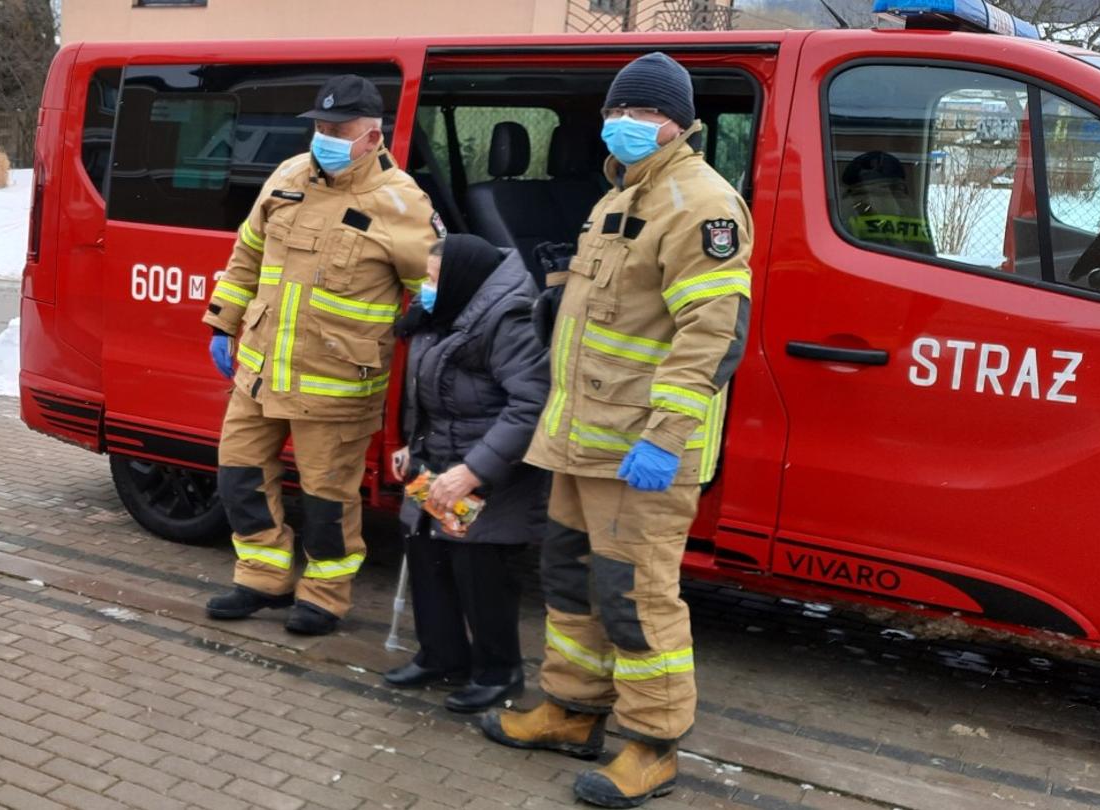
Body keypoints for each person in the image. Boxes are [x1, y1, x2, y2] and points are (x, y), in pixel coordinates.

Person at [483, 52, 753, 809]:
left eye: (638, 113)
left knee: (636, 597)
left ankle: (653, 746)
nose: (622, 125)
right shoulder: (619, 195)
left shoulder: (701, 202)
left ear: (676, 121)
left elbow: (711, 335)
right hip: (583, 436)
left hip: (641, 448)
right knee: (571, 580)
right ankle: (571, 711)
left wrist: (665, 438)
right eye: (616, 111)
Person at [201, 74, 440, 636]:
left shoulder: (401, 201)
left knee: (327, 501)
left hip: (336, 381)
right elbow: (249, 253)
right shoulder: (289, 175)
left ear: (372, 136)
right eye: (320, 127)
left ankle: (325, 596)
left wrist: (420, 331)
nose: (325, 137)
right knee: (238, 476)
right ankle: (262, 579)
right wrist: (223, 321)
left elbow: (434, 287)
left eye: (339, 129)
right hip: (259, 370)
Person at [383, 234, 549, 714]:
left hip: (488, 471)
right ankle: (442, 655)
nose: (425, 290)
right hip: (435, 462)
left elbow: (530, 404)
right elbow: (426, 390)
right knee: (427, 555)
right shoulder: (447, 309)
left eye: (433, 279)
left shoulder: (507, 318)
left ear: (459, 279)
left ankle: (499, 673)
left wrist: (473, 471)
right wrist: (408, 445)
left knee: (479, 573)